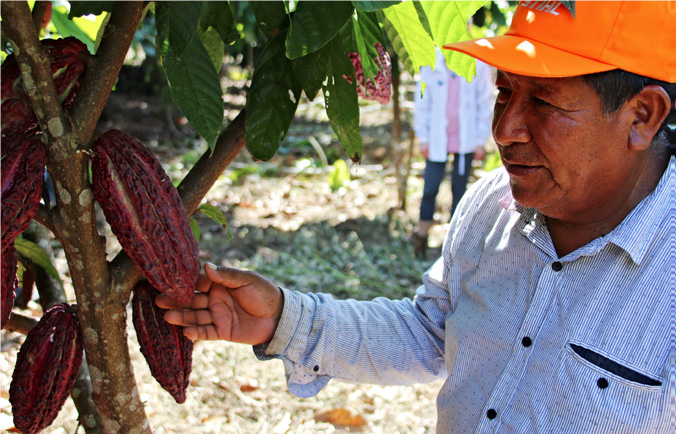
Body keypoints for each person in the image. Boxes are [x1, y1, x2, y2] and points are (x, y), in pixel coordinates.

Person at [157, 1, 676, 432]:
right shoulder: (490, 208)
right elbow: (433, 331)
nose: (505, 129)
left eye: (543, 101)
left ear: (642, 116)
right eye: (503, 92)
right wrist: (285, 320)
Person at [411, 48, 494, 259]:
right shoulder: (431, 61)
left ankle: (454, 243)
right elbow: (422, 101)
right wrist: (423, 137)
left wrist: (480, 140)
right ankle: (421, 235)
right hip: (438, 137)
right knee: (430, 187)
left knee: (460, 189)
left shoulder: (476, 62)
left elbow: (484, 101)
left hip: (466, 137)